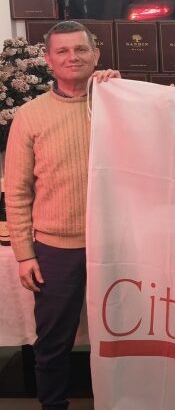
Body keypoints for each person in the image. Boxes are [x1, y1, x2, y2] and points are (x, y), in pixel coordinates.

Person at [5, 20, 120, 410]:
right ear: (49, 60)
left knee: (124, 337)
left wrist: (121, 92)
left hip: (114, 247)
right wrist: (25, 254)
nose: (73, 57)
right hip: (56, 250)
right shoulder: (30, 116)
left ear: (96, 55)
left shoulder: (118, 107)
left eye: (81, 49)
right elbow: (17, 191)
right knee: (53, 343)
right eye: (63, 51)